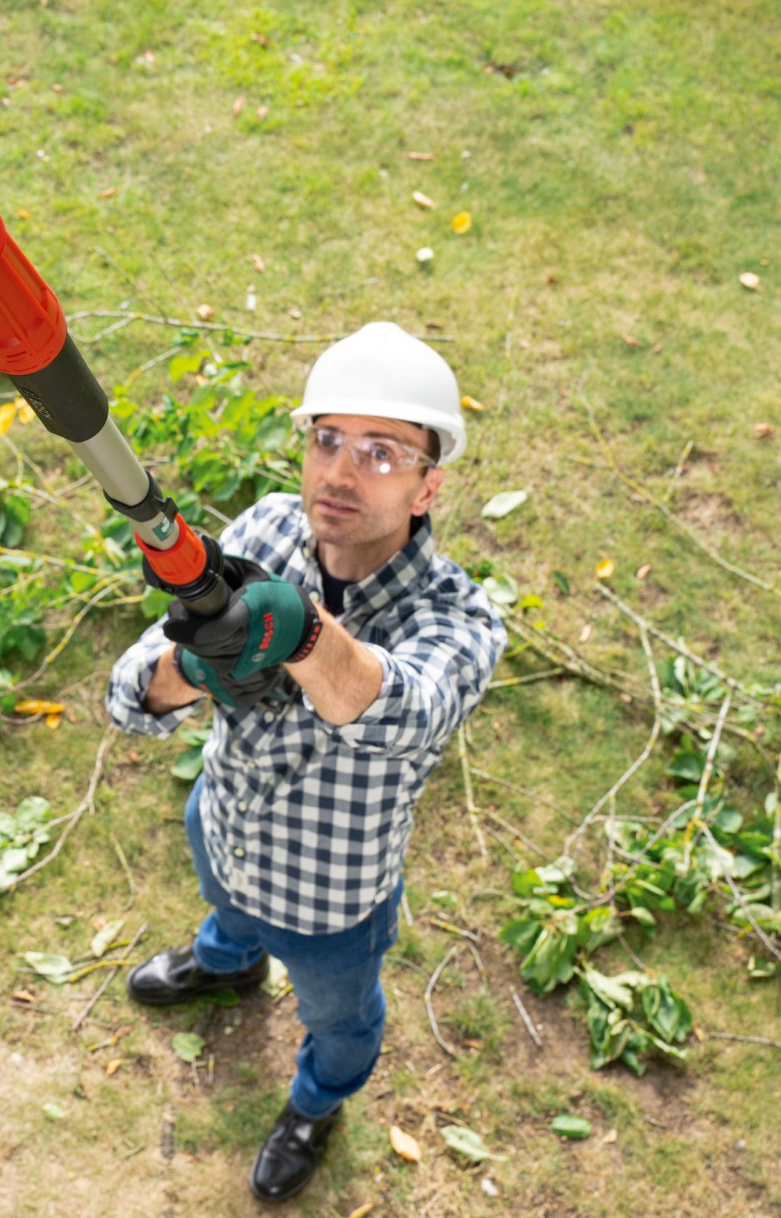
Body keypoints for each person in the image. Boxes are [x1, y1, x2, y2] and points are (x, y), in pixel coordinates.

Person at [106, 321, 506, 1203]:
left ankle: (316, 1103)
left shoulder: (462, 620)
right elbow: (129, 690)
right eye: (327, 439)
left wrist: (301, 632)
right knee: (225, 901)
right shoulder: (265, 528)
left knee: (341, 1019)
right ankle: (229, 959)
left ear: (429, 485)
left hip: (333, 906)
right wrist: (193, 669)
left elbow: (405, 707)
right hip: (225, 826)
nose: (340, 470)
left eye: (381, 452)